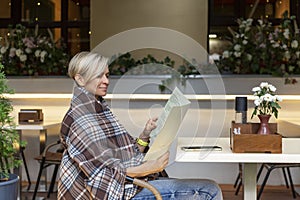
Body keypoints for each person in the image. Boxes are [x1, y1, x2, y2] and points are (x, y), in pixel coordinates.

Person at [57, 51, 223, 200]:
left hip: (128, 185)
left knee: (204, 188)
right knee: (209, 190)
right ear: (79, 78)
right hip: (117, 191)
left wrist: (144, 135)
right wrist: (148, 168)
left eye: (107, 75)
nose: (106, 81)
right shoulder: (80, 119)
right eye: (99, 76)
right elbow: (102, 175)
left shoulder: (98, 109)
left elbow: (121, 159)